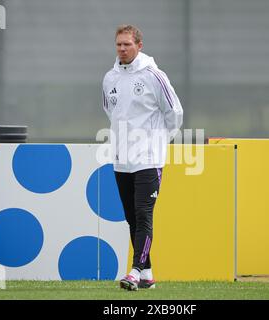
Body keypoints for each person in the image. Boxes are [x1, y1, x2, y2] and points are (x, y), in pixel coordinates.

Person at [102, 24, 183, 291]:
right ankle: (147, 273)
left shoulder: (153, 75)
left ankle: (135, 271)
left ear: (139, 45)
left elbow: (175, 113)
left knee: (143, 214)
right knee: (131, 218)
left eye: (127, 44)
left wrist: (158, 141)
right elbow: (110, 112)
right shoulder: (110, 78)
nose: (122, 49)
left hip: (149, 159)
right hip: (122, 159)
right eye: (118, 44)